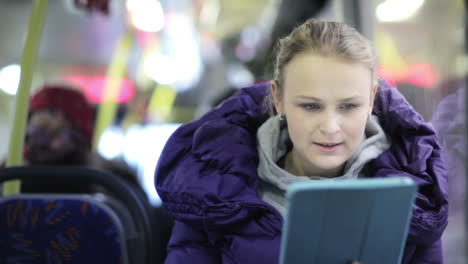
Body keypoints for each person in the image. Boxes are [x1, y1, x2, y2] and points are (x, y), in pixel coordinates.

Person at [155, 19, 448, 264]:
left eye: (348, 107)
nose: (331, 128)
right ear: (279, 98)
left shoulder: (416, 197)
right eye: (310, 106)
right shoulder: (213, 192)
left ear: (372, 99)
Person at [1, 84, 139, 193]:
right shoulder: (109, 179)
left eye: (60, 133)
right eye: (40, 133)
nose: (50, 144)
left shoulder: (10, 174)